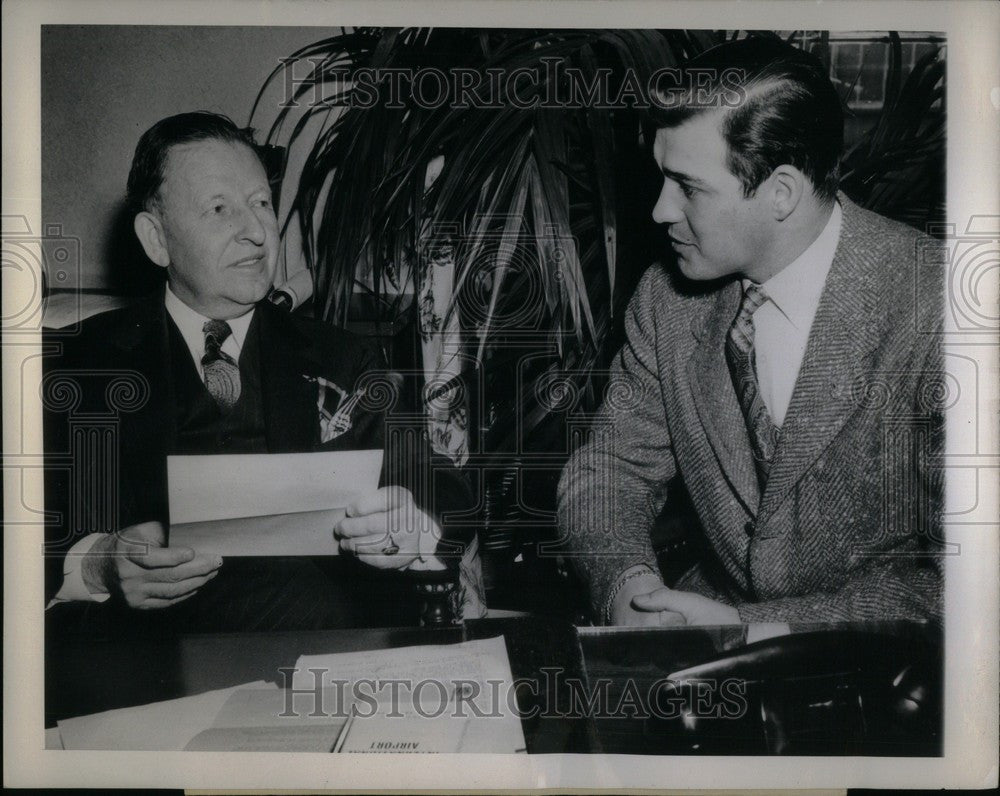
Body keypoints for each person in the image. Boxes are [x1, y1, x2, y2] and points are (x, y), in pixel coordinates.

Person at [558, 38, 944, 626]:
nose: (660, 210)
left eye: (688, 186)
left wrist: (754, 632)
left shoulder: (942, 311)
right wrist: (632, 592)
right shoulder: (666, 299)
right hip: (703, 634)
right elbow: (611, 469)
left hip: (879, 670)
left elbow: (966, 587)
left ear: (781, 192)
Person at [44, 111, 471, 633]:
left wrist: (412, 526)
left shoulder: (343, 358)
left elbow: (436, 483)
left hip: (315, 652)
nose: (255, 231)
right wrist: (100, 564)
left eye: (262, 203)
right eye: (220, 208)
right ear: (156, 239)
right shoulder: (81, 362)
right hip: (144, 667)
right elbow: (31, 528)